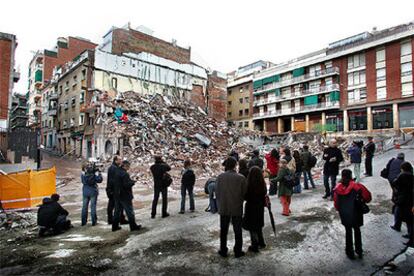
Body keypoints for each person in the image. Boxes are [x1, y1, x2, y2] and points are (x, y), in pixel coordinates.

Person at [333, 169, 372, 259]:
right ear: (350, 176)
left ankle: (349, 251)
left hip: (345, 214)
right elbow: (367, 197)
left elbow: (336, 203)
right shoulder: (357, 186)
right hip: (356, 212)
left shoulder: (337, 188)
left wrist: (341, 209)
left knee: (348, 231)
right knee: (357, 230)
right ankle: (359, 250)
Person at [216, 157, 248, 258]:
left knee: (223, 230)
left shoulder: (220, 177)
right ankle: (238, 251)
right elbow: (245, 194)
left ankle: (223, 250)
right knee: (238, 230)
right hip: (236, 207)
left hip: (224, 207)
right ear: (235, 165)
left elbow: (217, 193)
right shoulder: (241, 178)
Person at [112, 160, 142, 232]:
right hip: (125, 195)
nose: (129, 168)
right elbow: (126, 185)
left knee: (117, 211)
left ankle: (115, 226)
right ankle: (133, 226)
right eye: (128, 166)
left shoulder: (116, 172)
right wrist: (133, 182)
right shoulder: (125, 174)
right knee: (129, 211)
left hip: (117, 194)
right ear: (125, 166)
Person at [243, 166, 267, 253]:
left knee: (252, 227)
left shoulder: (248, 184)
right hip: (260, 207)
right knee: (258, 226)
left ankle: (255, 245)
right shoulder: (262, 184)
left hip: (250, 207)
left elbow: (245, 196)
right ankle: (262, 243)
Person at [391, 161, 413, 246]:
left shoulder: (402, 175)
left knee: (401, 214)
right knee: (409, 219)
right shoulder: (412, 175)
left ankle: (411, 239)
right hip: (409, 200)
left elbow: (395, 183)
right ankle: (409, 234)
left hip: (403, 199)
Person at [387, 153, 406, 232]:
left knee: (395, 193)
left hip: (391, 180)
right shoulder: (404, 164)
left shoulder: (392, 161)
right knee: (398, 199)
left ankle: (394, 201)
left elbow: (387, 168)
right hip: (398, 183)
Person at [106, 156, 127, 225]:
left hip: (112, 189)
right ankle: (117, 219)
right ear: (116, 161)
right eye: (120, 159)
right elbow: (113, 180)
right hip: (114, 189)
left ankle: (113, 219)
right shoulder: (114, 168)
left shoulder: (113, 168)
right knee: (116, 205)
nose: (121, 161)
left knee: (113, 205)